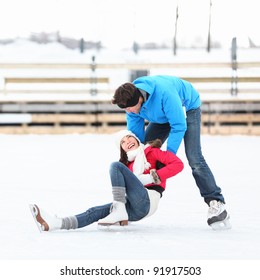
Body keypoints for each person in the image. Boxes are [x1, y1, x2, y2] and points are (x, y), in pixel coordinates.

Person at [111, 75, 231, 230]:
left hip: (187, 108)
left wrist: (169, 156)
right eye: (125, 109)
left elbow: (178, 125)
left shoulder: (165, 93)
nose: (128, 111)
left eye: (129, 108)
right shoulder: (130, 100)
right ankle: (138, 196)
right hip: (163, 115)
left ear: (139, 100)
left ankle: (216, 203)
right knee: (144, 151)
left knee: (194, 158)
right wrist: (137, 154)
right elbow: (137, 140)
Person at [30, 129, 184, 232]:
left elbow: (178, 164)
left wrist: (153, 177)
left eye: (129, 136)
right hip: (135, 209)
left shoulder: (152, 152)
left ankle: (119, 209)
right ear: (122, 149)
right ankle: (57, 223)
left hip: (149, 199)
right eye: (122, 142)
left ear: (136, 138)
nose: (127, 141)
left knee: (115, 166)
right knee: (95, 211)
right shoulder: (127, 166)